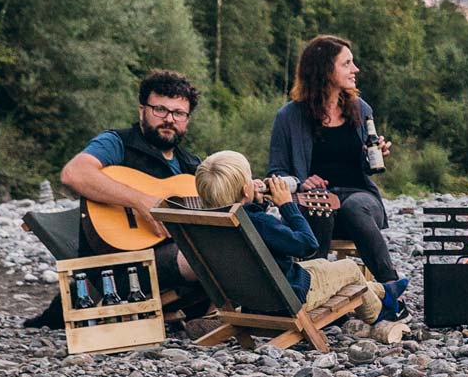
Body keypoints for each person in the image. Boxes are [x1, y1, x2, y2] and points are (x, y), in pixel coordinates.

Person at [27, 70, 207, 327]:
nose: (169, 119)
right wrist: (140, 201)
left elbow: (217, 206)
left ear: (187, 119)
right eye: (160, 110)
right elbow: (73, 173)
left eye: (178, 113)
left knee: (226, 244)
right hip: (121, 268)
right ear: (142, 110)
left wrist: (246, 197)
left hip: (169, 262)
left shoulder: (192, 165)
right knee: (203, 253)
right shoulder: (118, 143)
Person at [194, 150, 408, 323]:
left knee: (323, 265)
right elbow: (307, 245)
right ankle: (379, 311)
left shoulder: (211, 224)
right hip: (289, 297)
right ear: (245, 190)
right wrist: (287, 205)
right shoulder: (259, 223)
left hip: (251, 299)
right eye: (250, 180)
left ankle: (381, 290)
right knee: (350, 269)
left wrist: (258, 204)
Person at [267, 35, 400, 288]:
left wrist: (374, 154)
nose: (355, 69)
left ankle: (391, 287)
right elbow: (276, 172)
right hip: (314, 203)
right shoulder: (288, 117)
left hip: (358, 201)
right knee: (321, 206)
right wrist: (301, 182)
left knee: (355, 207)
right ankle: (315, 291)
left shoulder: (361, 109)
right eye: (347, 63)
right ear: (325, 70)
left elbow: (366, 169)